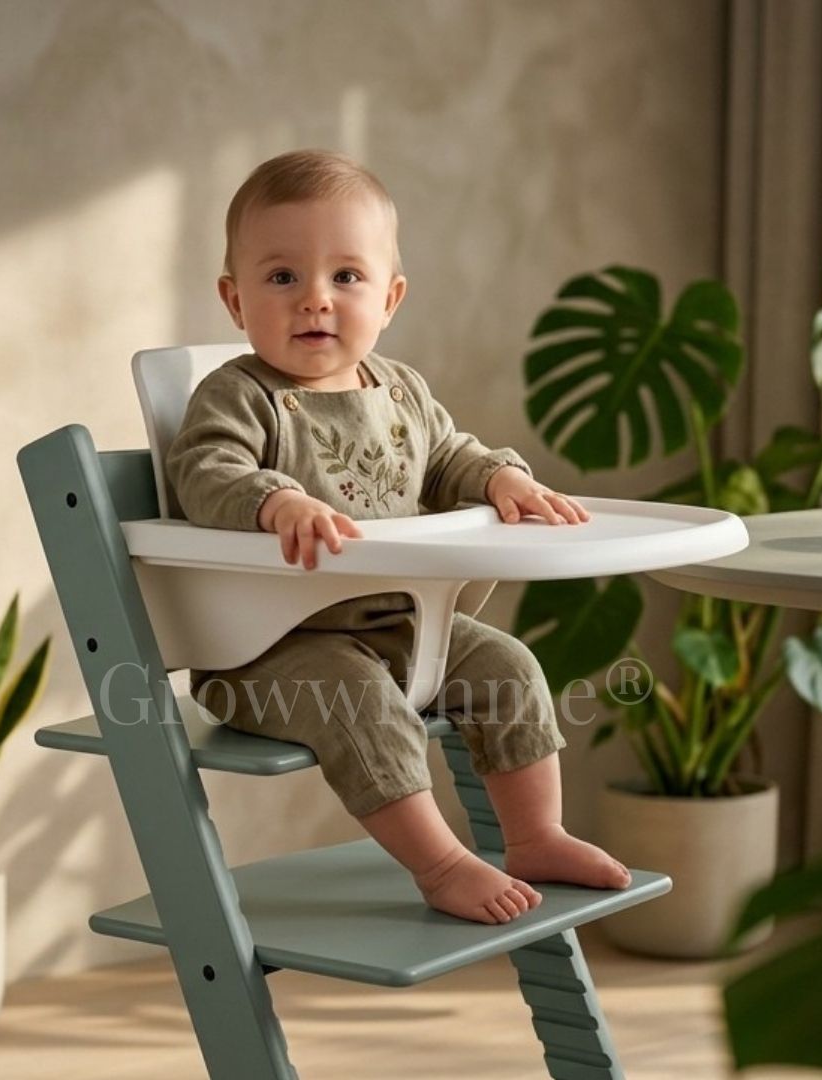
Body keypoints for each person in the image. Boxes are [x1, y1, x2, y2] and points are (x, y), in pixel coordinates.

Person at [166, 149, 631, 926]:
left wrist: (500, 481)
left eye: (346, 277)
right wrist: (275, 500)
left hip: (408, 628)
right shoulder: (241, 395)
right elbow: (204, 468)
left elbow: (450, 457)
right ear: (234, 299)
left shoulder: (402, 390)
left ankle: (537, 833)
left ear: (391, 297)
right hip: (272, 648)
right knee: (358, 703)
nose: (316, 299)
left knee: (509, 666)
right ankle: (442, 861)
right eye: (282, 277)